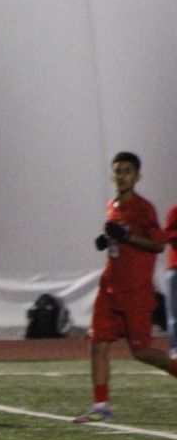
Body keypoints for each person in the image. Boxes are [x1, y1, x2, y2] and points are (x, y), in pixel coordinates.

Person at [74, 152, 177, 423]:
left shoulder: (143, 208)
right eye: (117, 170)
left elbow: (158, 244)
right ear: (112, 174)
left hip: (135, 291)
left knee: (142, 352)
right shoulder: (112, 206)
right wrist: (108, 241)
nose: (121, 176)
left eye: (127, 171)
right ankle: (100, 408)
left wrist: (127, 237)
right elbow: (120, 241)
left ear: (137, 177)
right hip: (109, 287)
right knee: (98, 345)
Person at [165, 201, 177, 360]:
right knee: (174, 312)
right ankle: (175, 349)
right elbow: (166, 234)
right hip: (175, 268)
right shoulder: (175, 210)